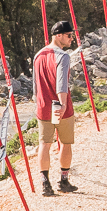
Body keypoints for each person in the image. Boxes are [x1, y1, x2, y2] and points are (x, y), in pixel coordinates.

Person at [31, 22, 79, 195]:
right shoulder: (63, 56)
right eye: (69, 35)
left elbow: (35, 84)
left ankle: (45, 183)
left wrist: (37, 101)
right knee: (65, 142)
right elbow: (62, 84)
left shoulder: (38, 55)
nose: (71, 38)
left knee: (44, 143)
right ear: (58, 35)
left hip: (43, 105)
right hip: (60, 106)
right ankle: (63, 180)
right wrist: (63, 103)